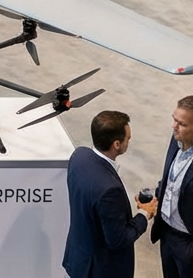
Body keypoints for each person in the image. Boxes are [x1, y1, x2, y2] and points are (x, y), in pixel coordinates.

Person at [63, 109, 157, 278]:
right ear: (116, 144)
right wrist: (145, 213)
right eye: (127, 138)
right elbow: (118, 240)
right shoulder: (109, 190)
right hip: (99, 270)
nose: (129, 140)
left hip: (78, 259)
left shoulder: (79, 156)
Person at [151, 96, 193, 278]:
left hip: (188, 242)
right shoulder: (176, 139)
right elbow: (171, 177)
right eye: (174, 119)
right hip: (167, 233)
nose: (174, 126)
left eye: (181, 123)